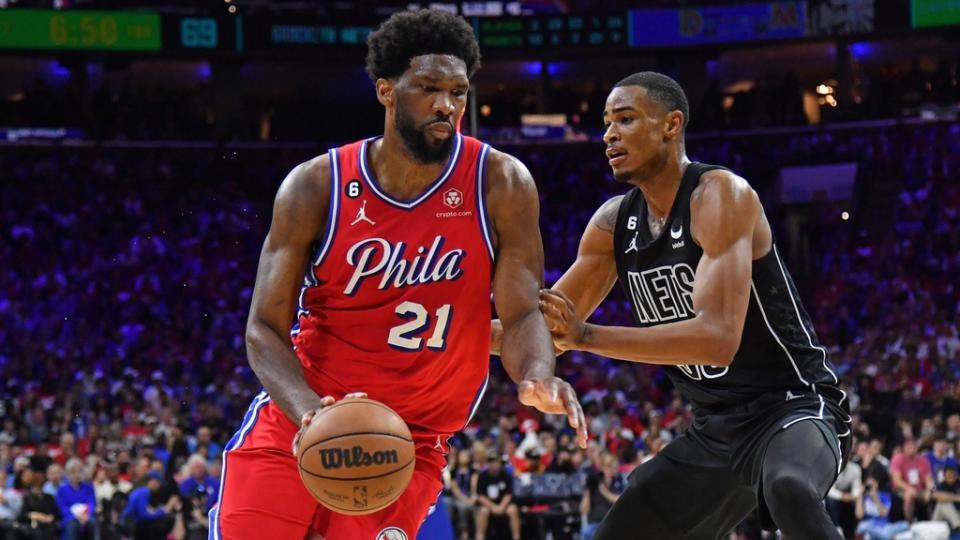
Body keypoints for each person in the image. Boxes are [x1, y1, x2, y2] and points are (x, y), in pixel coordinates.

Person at [212, 9, 586, 540]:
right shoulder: (316, 186)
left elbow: (522, 311)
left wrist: (536, 376)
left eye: (458, 92)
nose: (446, 105)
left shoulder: (500, 183)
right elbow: (262, 330)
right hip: (302, 419)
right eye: (429, 87)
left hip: (410, 443)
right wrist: (310, 416)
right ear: (386, 91)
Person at [530, 71, 850, 539]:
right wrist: (431, 331)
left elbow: (717, 341)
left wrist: (587, 337)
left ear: (671, 124)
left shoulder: (720, 195)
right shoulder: (612, 224)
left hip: (792, 407)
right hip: (715, 430)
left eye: (625, 119)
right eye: (605, 123)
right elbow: (540, 330)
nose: (609, 134)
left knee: (789, 488)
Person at [473, 452, 519, 540]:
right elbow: (480, 496)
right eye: (490, 462)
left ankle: (516, 537)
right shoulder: (482, 476)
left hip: (504, 504)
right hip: (488, 505)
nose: (493, 464)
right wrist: (493, 507)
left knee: (513, 509)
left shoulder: (506, 475)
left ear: (500, 463)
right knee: (483, 511)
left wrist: (501, 507)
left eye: (495, 461)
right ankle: (480, 537)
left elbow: (508, 494)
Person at [890, 436, 934, 522]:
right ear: (903, 448)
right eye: (908, 446)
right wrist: (909, 488)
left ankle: (931, 522)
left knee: (934, 495)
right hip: (902, 489)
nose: (912, 448)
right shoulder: (898, 459)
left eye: (913, 446)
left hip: (920, 489)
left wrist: (930, 489)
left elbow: (928, 479)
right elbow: (897, 481)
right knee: (909, 495)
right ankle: (909, 522)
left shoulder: (923, 460)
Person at [56, 458, 98, 540]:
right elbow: (63, 508)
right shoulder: (62, 490)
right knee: (72, 525)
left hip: (87, 516)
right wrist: (77, 516)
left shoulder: (88, 487)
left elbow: (92, 502)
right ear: (68, 473)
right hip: (70, 517)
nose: (77, 475)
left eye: (79, 471)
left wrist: (87, 515)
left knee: (92, 523)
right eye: (73, 472)